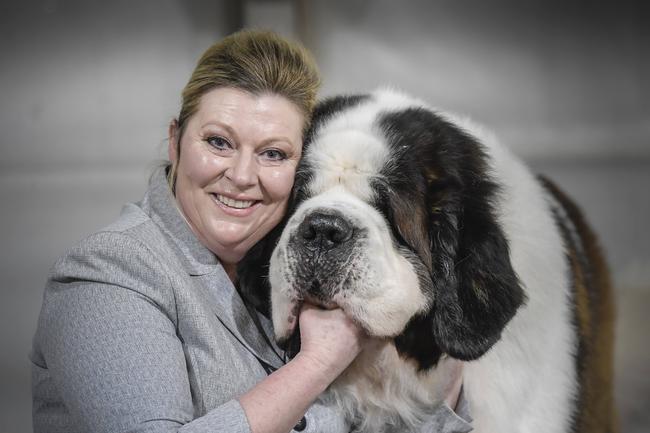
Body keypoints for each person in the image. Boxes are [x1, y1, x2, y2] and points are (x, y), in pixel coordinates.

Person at [30, 30, 471, 433]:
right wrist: (320, 360)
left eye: (273, 153)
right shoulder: (108, 271)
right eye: (218, 142)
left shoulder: (273, 260)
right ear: (175, 141)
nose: (242, 176)